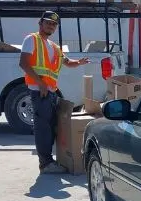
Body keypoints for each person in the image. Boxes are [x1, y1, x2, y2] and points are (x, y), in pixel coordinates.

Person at [18, 11, 90, 174]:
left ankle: (50, 160)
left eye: (54, 24)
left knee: (51, 128)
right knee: (43, 128)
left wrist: (78, 62)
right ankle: (45, 163)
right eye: (48, 23)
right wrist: (41, 84)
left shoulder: (54, 46)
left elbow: (66, 62)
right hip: (40, 91)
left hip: (50, 93)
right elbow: (23, 63)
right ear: (40, 23)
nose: (51, 26)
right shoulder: (32, 39)